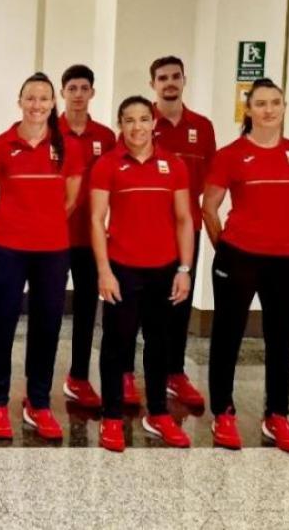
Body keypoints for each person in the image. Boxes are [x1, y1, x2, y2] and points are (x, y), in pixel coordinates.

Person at [202, 78, 289, 454]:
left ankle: (277, 415)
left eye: (275, 103)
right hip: (240, 256)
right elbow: (209, 208)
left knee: (281, 338)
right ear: (248, 110)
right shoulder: (230, 155)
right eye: (261, 103)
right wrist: (227, 249)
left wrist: (281, 234)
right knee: (227, 335)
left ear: (284, 107)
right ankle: (223, 412)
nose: (269, 110)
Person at [0, 72, 84, 441]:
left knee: (47, 326)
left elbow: (71, 200)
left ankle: (38, 402)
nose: (37, 105)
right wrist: (10, 226)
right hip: (7, 250)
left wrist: (44, 226)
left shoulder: (68, 147)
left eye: (44, 98)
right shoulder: (0, 145)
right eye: (30, 98)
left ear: (53, 103)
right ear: (20, 102)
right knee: (2, 324)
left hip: (52, 252)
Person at [89, 96, 194, 453]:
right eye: (129, 120)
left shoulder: (174, 165)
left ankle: (159, 414)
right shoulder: (107, 164)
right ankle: (112, 416)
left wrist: (184, 269)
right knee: (116, 344)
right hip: (122, 268)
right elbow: (96, 219)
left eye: (144, 119)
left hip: (164, 269)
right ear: (120, 125)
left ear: (153, 123)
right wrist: (104, 270)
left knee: (159, 343)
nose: (137, 127)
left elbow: (184, 219)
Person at [149, 56, 216, 409]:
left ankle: (174, 372)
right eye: (163, 78)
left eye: (175, 76)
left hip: (187, 229)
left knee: (179, 302)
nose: (170, 83)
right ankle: (129, 372)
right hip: (146, 230)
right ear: (153, 84)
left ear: (184, 80)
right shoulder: (141, 121)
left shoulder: (202, 127)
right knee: (141, 304)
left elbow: (209, 179)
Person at [57, 65, 117, 409]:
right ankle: (38, 384)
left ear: (92, 92)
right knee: (47, 311)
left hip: (90, 237)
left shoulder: (106, 137)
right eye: (72, 88)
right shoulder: (50, 132)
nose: (78, 94)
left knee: (85, 309)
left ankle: (78, 377)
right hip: (53, 238)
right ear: (63, 93)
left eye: (84, 88)